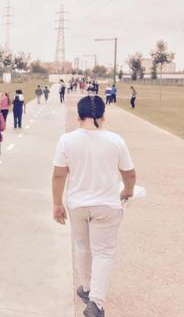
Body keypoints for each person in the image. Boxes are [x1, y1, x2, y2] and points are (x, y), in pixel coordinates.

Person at [52, 96, 136, 317]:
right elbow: (129, 173)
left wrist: (57, 203)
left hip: (77, 204)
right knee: (104, 252)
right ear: (103, 116)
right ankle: (96, 303)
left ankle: (87, 288)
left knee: (83, 246)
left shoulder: (67, 141)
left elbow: (59, 175)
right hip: (107, 205)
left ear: (78, 117)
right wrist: (128, 191)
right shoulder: (115, 140)